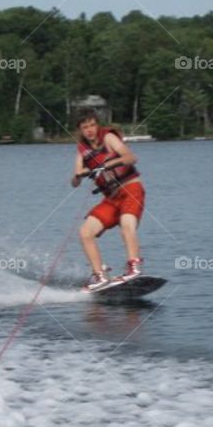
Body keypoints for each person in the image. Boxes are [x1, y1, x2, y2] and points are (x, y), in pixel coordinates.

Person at [70, 109, 146, 291]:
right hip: (111, 199)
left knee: (127, 224)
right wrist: (79, 176)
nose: (89, 130)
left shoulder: (109, 138)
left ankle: (133, 267)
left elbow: (131, 157)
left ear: (98, 125)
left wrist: (106, 165)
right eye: (85, 127)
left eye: (92, 125)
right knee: (85, 232)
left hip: (131, 189)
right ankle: (100, 276)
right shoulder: (82, 151)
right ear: (80, 130)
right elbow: (74, 182)